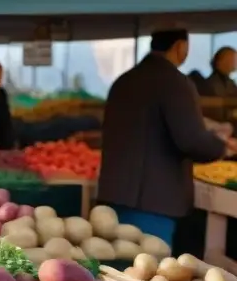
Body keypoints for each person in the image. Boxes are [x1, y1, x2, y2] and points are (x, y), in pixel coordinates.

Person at [98, 29, 236, 256]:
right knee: (148, 277)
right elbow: (191, 140)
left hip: (114, 195)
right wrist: (222, 147)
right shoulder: (174, 82)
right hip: (153, 201)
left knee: (117, 271)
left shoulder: (124, 80)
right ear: (181, 46)